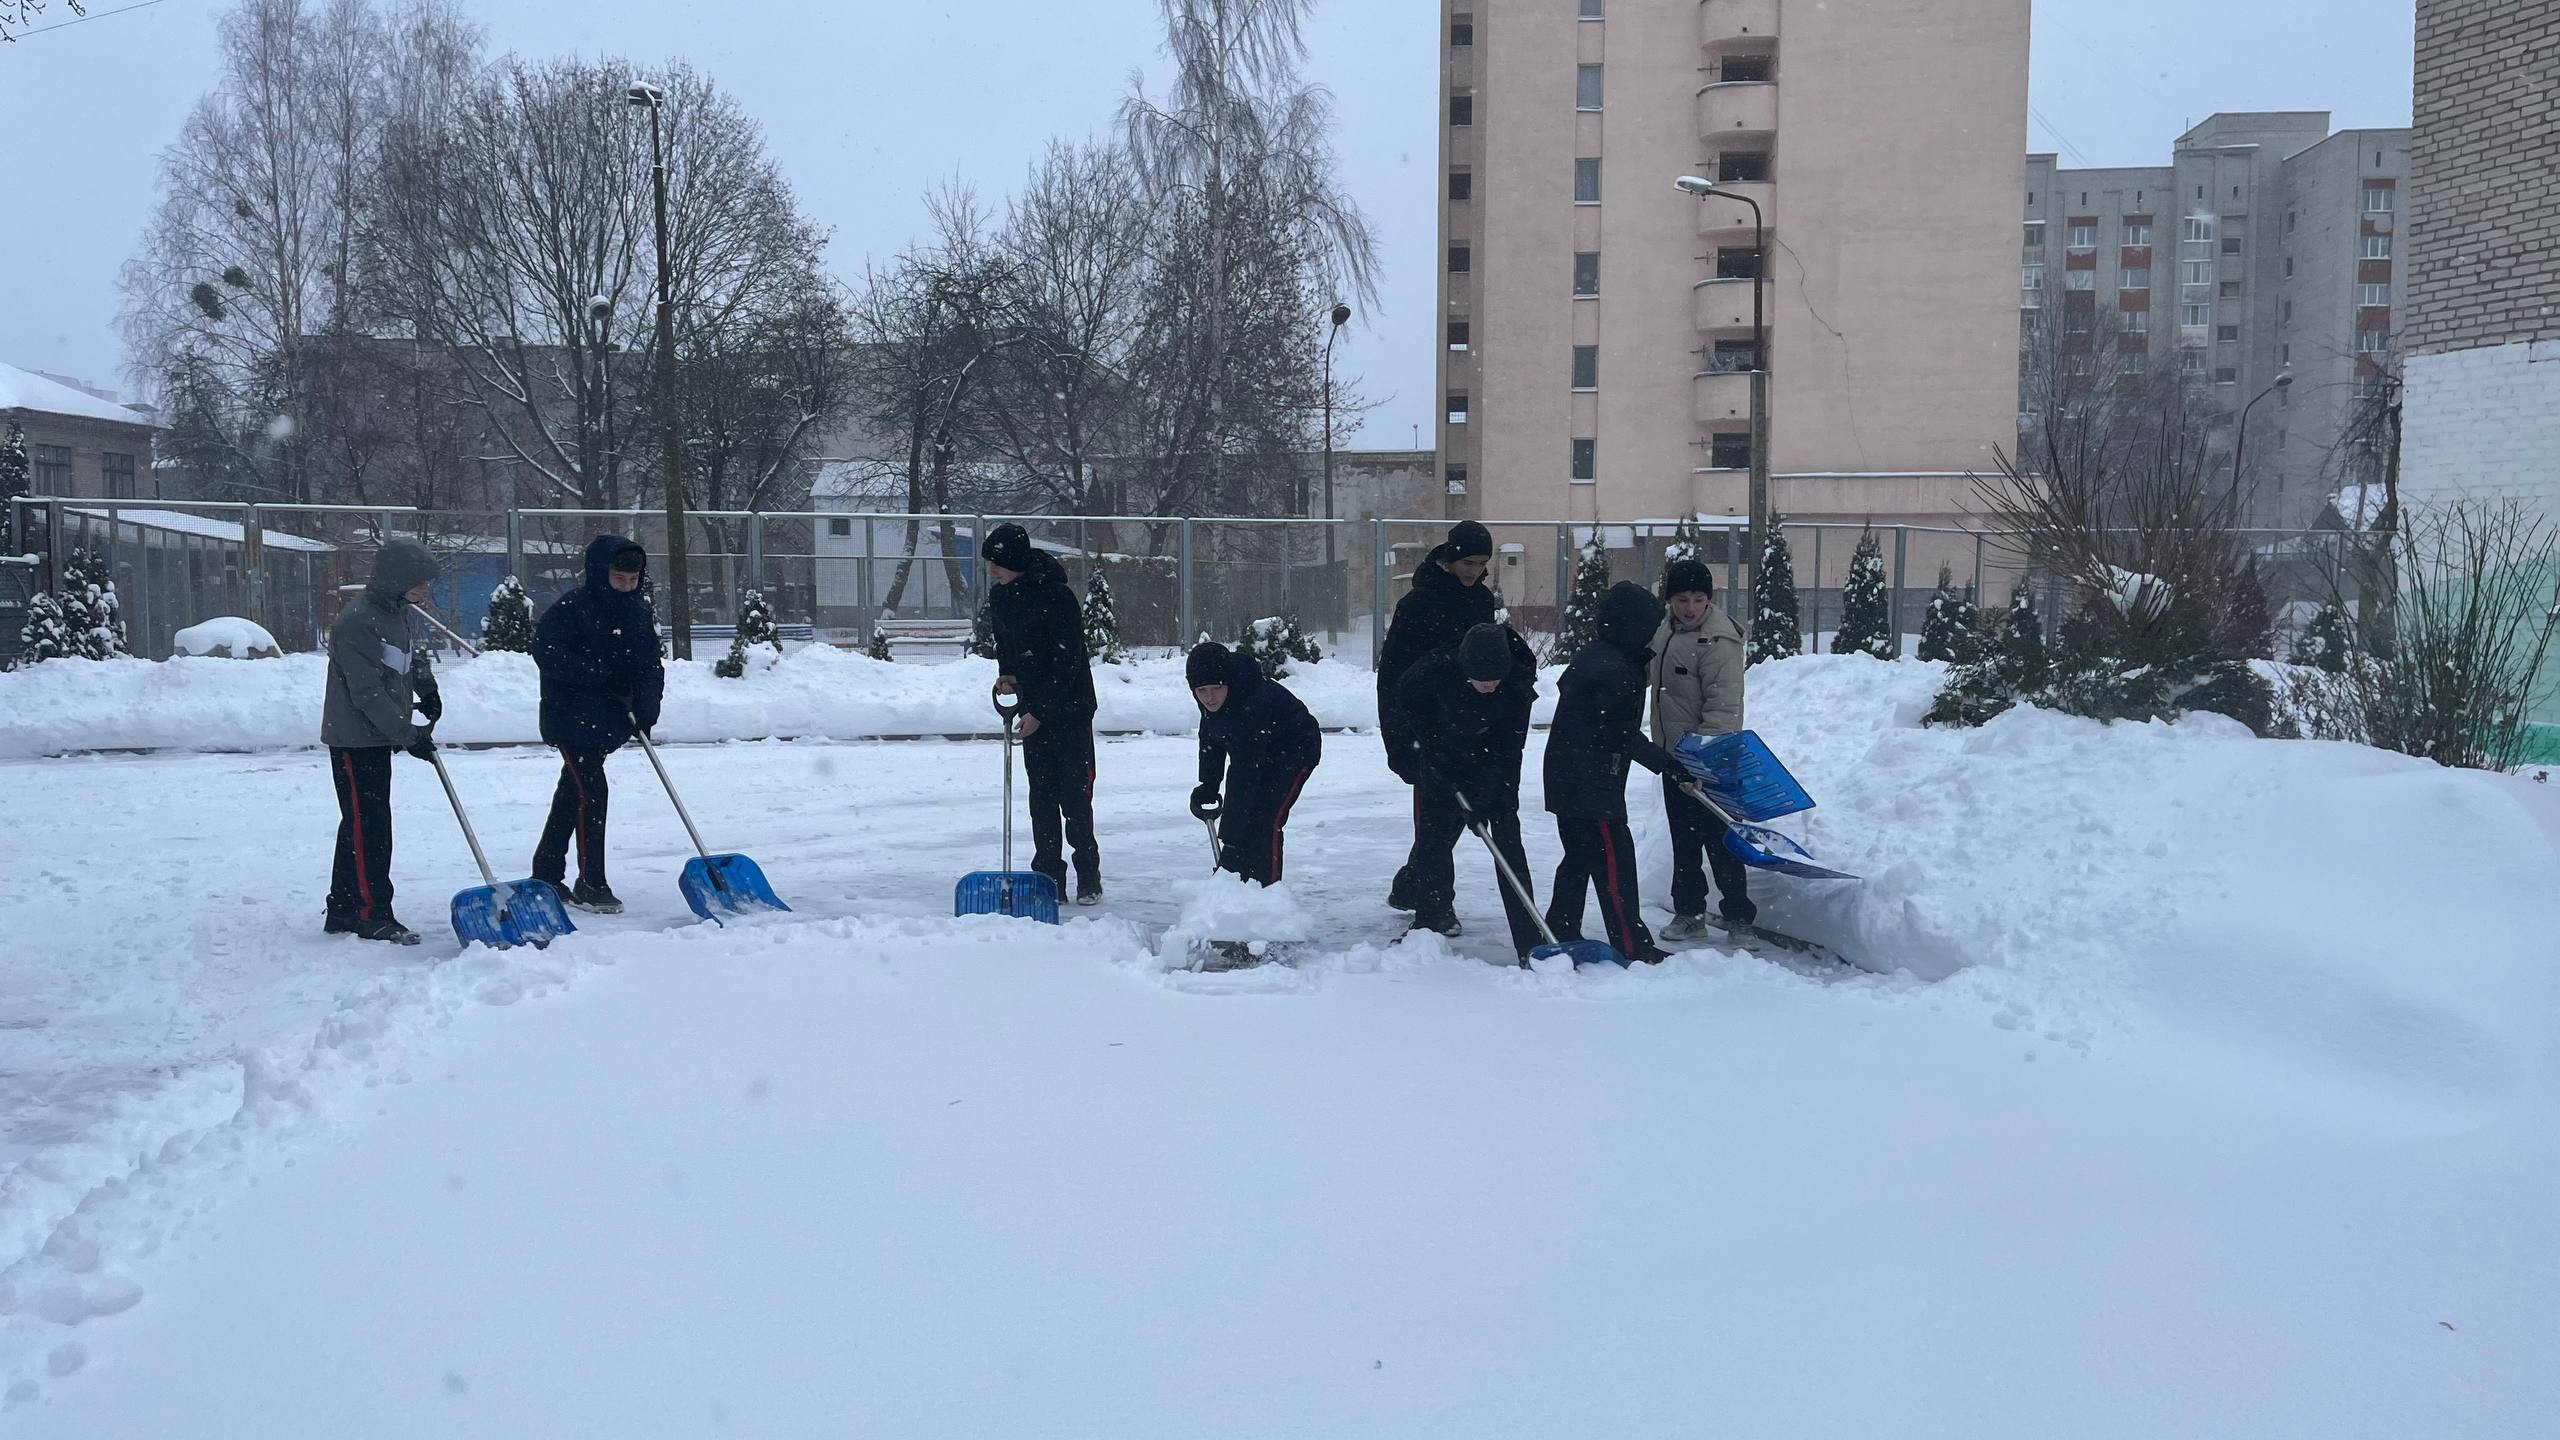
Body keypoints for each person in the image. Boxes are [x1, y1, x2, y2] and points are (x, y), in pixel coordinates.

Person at [1542, 581, 1681, 965]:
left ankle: (1561, 927)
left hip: (1568, 779)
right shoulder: (1614, 669)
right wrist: (1667, 764)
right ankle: (1632, 944)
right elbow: (1619, 732)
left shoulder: (1601, 656)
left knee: (1579, 857)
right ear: (1633, 626)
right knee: (1615, 863)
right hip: (1592, 784)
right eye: (1650, 626)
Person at [530, 535, 666, 915]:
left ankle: (546, 871)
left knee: (572, 792)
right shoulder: (573, 608)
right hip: (571, 715)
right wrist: (600, 675)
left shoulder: (637, 612)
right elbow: (548, 653)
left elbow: (649, 664)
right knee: (591, 794)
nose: (626, 586)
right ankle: (591, 882)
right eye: (619, 579)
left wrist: (647, 706)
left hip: (608, 719)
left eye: (633, 580)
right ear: (599, 572)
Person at [1392, 622, 1545, 959]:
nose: (1488, 685)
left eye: (1494, 678)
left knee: (1508, 843)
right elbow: (1407, 703)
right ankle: (1429, 922)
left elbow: (1509, 748)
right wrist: (1433, 749)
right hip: (1443, 757)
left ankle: (1530, 939)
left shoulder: (1516, 683)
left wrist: (1487, 797)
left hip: (1496, 760)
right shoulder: (1432, 672)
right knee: (1433, 839)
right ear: (1464, 668)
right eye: (1480, 678)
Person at [321, 539, 444, 945]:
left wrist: (427, 689)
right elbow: (367, 693)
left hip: (377, 735)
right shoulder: (356, 621)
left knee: (361, 823)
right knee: (369, 827)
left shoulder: (398, 612)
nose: (425, 588)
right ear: (396, 579)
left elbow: (410, 658)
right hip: (355, 739)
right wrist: (409, 736)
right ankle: (372, 913)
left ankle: (343, 908)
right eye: (419, 581)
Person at [1375, 519, 1499, 911]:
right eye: (1468, 563)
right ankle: (1436, 906)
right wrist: (1399, 739)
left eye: (1482, 564)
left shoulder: (1482, 601)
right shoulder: (1418, 604)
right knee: (1433, 821)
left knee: (1457, 815)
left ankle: (1412, 883)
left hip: (1470, 724)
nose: (1475, 571)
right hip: (1427, 726)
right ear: (1451, 558)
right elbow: (1393, 677)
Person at [982, 523, 1103, 904]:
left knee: (1075, 797)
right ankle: (1049, 878)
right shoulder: (1001, 597)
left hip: (1070, 709)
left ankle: (1088, 876)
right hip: (1033, 707)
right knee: (1043, 798)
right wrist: (1008, 675)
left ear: (1016, 560)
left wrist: (1040, 712)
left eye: (997, 562)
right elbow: (1006, 645)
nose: (991, 570)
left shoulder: (1057, 596)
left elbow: (1067, 662)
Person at [1650, 558, 1755, 939]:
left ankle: (1739, 917)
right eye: (1681, 599)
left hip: (1711, 760)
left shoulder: (1719, 641)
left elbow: (1723, 708)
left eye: (1698, 599)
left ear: (1709, 599)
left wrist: (1703, 763)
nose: (1689, 608)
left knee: (1720, 841)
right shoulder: (1665, 631)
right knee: (1684, 841)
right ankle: (1689, 913)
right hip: (1674, 757)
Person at [1188, 642, 1321, 886]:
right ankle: (1240, 881)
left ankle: (1266, 891)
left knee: (1266, 819)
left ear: (1227, 682)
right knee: (1247, 819)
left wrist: (1231, 839)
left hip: (1294, 749)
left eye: (1216, 688)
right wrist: (1208, 785)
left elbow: (1244, 773)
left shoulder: (1250, 701)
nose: (1209, 697)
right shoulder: (1212, 700)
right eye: (1201, 690)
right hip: (1259, 750)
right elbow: (1211, 738)